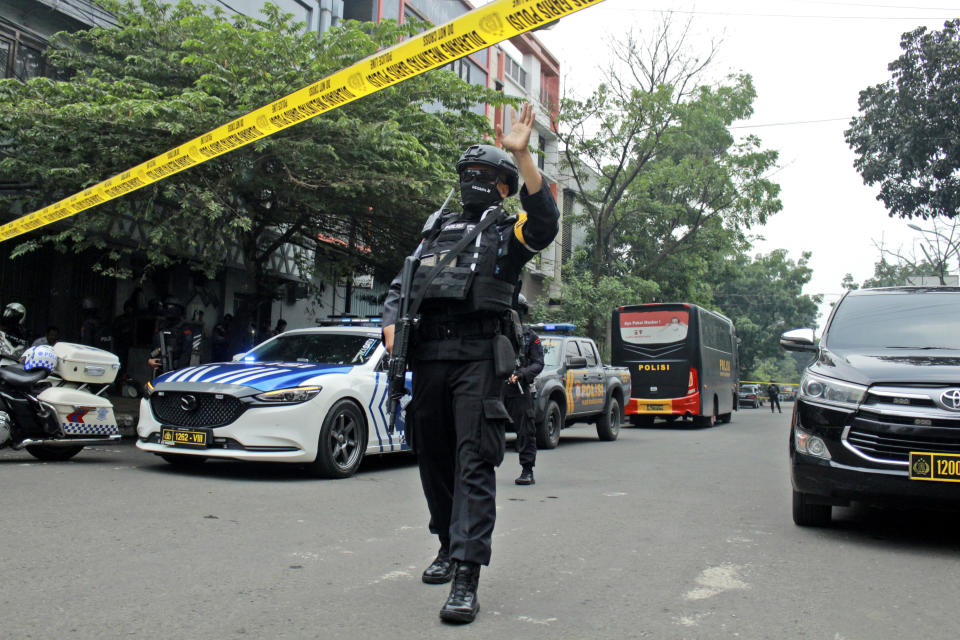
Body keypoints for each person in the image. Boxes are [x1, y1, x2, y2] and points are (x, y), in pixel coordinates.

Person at [382, 103, 559, 625]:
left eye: (488, 176)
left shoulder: (507, 235)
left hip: (479, 359)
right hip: (429, 358)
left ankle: (466, 575)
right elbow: (400, 287)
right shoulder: (434, 232)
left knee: (473, 463)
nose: (476, 183)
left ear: (505, 187)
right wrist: (391, 325)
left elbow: (545, 222)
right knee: (433, 458)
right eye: (469, 175)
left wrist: (523, 156)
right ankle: (445, 542)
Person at [503, 294, 544, 486]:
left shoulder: (529, 336)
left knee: (526, 430)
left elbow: (538, 363)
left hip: (518, 388)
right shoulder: (495, 332)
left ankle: (527, 469)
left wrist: (521, 374)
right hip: (495, 386)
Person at [147, 298, 193, 376]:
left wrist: (179, 374)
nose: (169, 310)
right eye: (167, 307)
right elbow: (154, 348)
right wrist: (149, 360)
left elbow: (186, 355)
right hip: (159, 370)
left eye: (171, 308)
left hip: (176, 371)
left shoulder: (184, 329)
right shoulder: (161, 327)